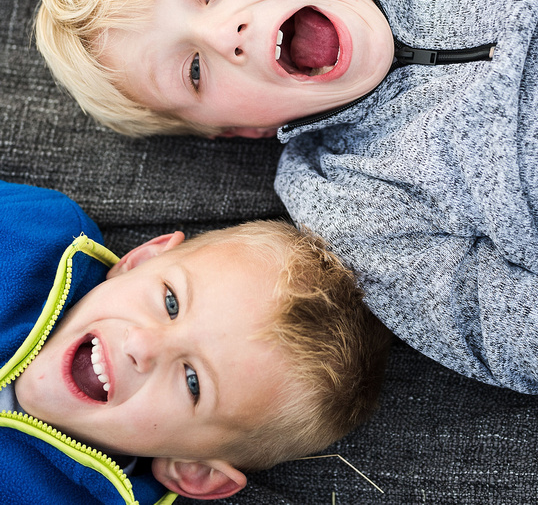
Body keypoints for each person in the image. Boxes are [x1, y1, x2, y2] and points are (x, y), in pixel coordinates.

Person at [35, 0, 538, 400]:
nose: (223, 37)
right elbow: (491, 323)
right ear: (242, 129)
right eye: (193, 71)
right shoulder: (346, 205)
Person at [0, 179, 390, 505]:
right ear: (140, 261)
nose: (142, 345)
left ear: (194, 470)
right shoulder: (35, 232)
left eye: (192, 381)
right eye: (171, 302)